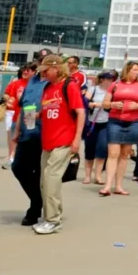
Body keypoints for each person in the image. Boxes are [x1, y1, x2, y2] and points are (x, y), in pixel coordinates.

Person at [32, 55, 85, 235]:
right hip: (48, 140)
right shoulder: (47, 87)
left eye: (47, 70)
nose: (44, 74)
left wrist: (77, 138)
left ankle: (52, 220)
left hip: (64, 140)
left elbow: (80, 112)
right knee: (45, 181)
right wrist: (37, 116)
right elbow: (48, 109)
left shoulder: (69, 85)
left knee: (51, 178)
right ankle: (52, 216)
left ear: (56, 68)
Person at [8, 61, 48, 226]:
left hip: (45, 135)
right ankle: (38, 200)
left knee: (39, 173)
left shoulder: (55, 83)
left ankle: (34, 209)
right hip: (27, 131)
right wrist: (16, 130)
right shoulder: (32, 81)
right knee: (18, 167)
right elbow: (24, 107)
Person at [101, 61, 138, 197]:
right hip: (116, 121)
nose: (136, 72)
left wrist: (137, 106)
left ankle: (119, 185)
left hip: (132, 122)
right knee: (113, 154)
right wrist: (113, 104)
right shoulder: (115, 85)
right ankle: (107, 185)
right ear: (127, 70)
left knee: (124, 155)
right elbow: (105, 103)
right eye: (134, 70)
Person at [3, 63, 35, 168]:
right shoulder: (16, 83)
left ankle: (27, 159)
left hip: (31, 111)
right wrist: (9, 100)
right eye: (24, 70)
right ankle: (12, 157)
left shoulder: (36, 84)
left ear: (34, 72)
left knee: (29, 135)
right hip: (17, 113)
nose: (25, 72)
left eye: (28, 70)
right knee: (14, 136)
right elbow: (9, 96)